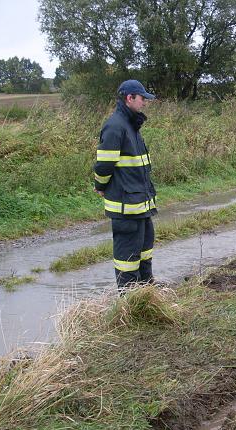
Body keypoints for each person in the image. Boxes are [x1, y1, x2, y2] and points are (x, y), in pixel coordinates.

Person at [93, 79, 158, 290]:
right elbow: (104, 166)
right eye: (142, 99)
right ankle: (130, 303)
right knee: (127, 259)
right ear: (129, 98)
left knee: (144, 251)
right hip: (126, 206)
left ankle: (146, 294)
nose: (144, 103)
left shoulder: (131, 124)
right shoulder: (115, 126)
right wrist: (100, 185)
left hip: (139, 204)